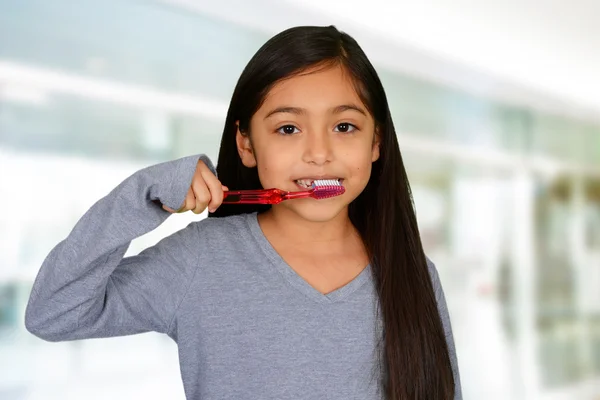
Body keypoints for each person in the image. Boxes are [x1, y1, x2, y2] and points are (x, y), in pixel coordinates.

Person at [25, 25, 462, 399]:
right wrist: (140, 195)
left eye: (344, 126)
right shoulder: (199, 260)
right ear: (246, 145)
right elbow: (53, 312)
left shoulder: (414, 274)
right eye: (288, 128)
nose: (319, 154)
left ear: (376, 143)